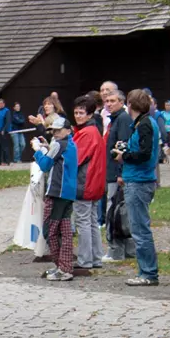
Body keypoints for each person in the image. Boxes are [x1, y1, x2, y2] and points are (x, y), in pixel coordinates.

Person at [118, 89, 160, 286]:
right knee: (139, 227)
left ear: (130, 105)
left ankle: (148, 273)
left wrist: (124, 155)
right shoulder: (141, 123)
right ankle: (146, 270)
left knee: (140, 229)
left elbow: (144, 153)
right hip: (136, 179)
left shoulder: (144, 125)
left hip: (139, 181)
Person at [31, 116, 79, 281]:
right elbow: (57, 158)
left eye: (59, 130)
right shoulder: (70, 144)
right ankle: (65, 266)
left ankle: (61, 267)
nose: (56, 134)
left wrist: (37, 150)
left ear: (68, 130)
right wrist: (46, 147)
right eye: (54, 130)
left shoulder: (59, 144)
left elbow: (45, 165)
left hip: (57, 192)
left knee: (50, 229)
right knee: (64, 230)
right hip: (68, 192)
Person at [69, 94, 107, 274]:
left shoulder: (86, 133)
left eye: (82, 113)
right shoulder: (94, 131)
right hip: (95, 183)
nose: (78, 116)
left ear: (90, 114)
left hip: (84, 184)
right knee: (91, 221)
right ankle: (95, 257)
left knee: (83, 222)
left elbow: (74, 159)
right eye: (76, 112)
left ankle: (85, 260)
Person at [103, 90, 135, 261]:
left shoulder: (122, 120)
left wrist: (121, 173)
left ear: (121, 102)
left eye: (113, 100)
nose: (109, 103)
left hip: (117, 173)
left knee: (114, 212)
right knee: (123, 211)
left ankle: (116, 250)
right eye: (107, 101)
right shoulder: (115, 119)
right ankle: (129, 250)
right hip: (112, 172)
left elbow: (122, 147)